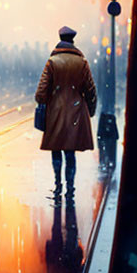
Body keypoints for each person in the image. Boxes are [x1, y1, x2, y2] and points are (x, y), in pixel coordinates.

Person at [35, 26, 98, 189]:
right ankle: (70, 185)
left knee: (56, 149)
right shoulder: (82, 62)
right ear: (72, 41)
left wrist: (45, 99)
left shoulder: (52, 62)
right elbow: (90, 89)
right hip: (75, 110)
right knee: (70, 151)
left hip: (55, 110)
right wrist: (90, 109)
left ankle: (58, 182)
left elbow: (41, 92)